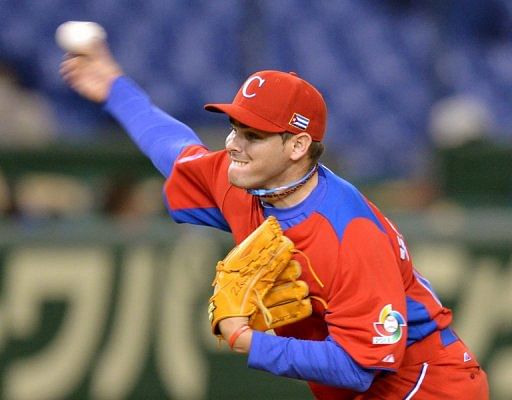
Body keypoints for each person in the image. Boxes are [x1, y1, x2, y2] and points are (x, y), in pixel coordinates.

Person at [59, 39, 489, 399]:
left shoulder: (348, 235)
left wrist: (248, 341)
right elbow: (173, 149)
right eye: (233, 128)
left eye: (253, 135)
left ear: (298, 145)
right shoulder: (243, 180)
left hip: (426, 385)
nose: (233, 144)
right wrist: (116, 89)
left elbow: (361, 366)